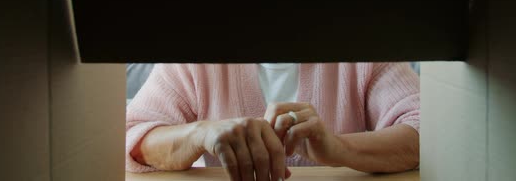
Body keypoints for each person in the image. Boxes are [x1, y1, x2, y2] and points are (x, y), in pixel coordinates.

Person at [126, 63, 420, 180]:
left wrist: (339, 148)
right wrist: (200, 133)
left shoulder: (366, 47)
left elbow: (429, 129)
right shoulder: (194, 59)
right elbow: (130, 139)